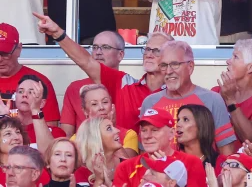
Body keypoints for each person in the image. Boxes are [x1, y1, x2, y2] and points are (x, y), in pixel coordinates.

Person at [34, 13, 170, 131]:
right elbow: (86, 61)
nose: (149, 54)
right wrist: (57, 33)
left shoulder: (178, 93)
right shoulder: (124, 84)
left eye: (157, 50)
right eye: (147, 49)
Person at [140, 40, 237, 155]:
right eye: (164, 65)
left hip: (202, 171)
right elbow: (144, 153)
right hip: (159, 171)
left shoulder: (212, 100)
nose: (168, 71)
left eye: (175, 64)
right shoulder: (150, 102)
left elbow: (227, 154)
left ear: (190, 67)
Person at [113, 108, 206, 187]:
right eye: (144, 130)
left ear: (172, 133)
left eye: (154, 130)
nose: (147, 136)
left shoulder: (191, 163)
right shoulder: (125, 168)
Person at [60, 30, 125, 137]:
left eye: (105, 47)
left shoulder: (129, 87)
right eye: (95, 47)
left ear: (120, 55)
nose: (98, 52)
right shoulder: (75, 88)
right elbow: (66, 135)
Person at [0, 23, 60, 126]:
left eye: (5, 54)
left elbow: (51, 130)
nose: (0, 59)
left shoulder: (38, 82)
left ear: (19, 49)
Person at [214, 39, 252, 144]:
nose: (228, 61)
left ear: (251, 67)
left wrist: (230, 101)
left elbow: (251, 138)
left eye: (235, 57)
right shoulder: (216, 92)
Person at [72, 84, 139, 157]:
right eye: (94, 104)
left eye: (105, 102)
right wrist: (94, 130)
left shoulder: (128, 135)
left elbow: (127, 165)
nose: (101, 107)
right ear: (85, 111)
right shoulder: (76, 139)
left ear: (112, 105)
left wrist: (112, 133)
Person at [10, 75, 65, 152]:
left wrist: (35, 110)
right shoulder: (5, 130)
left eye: (31, 92)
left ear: (42, 103)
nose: (24, 95)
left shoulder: (55, 133)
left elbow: (49, 156)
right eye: (20, 91)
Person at [75, 117, 126, 186]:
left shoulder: (127, 166)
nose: (117, 130)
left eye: (113, 127)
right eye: (109, 128)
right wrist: (99, 181)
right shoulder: (82, 173)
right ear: (95, 138)